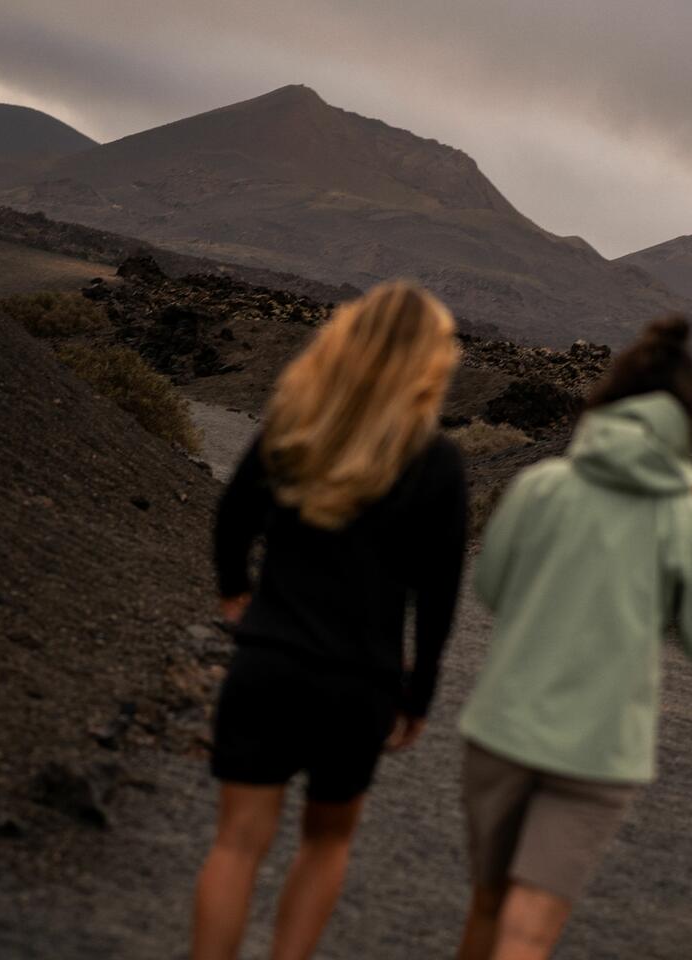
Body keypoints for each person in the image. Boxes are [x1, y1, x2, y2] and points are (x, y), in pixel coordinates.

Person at [455, 315, 692, 960]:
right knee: (529, 930)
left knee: (487, 905)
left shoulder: (539, 487)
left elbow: (492, 590)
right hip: (598, 750)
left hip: (503, 728)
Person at [192, 281, 468, 960]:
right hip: (360, 686)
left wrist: (237, 596)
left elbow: (232, 519)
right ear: (431, 364)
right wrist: (420, 695)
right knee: (326, 843)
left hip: (270, 662)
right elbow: (439, 597)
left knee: (236, 843)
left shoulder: (295, 421)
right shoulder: (438, 464)